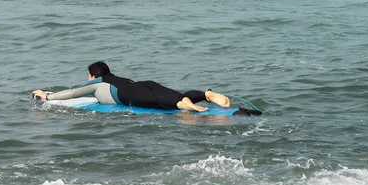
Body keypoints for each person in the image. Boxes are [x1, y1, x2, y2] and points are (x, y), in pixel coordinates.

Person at [32, 61, 230, 112]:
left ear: (93, 74)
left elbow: (73, 93)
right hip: (141, 83)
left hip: (126, 93)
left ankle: (183, 105)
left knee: (157, 102)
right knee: (176, 94)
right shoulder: (118, 77)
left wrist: (46, 96)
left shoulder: (95, 83)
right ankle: (205, 94)